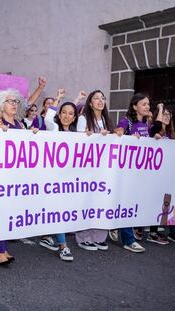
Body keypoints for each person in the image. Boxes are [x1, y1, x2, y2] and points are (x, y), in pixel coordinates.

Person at [0, 88, 38, 265]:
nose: (14, 104)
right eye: (10, 101)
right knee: (2, 212)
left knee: (9, 213)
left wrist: (34, 135)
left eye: (16, 101)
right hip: (1, 177)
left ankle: (4, 247)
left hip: (17, 177)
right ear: (1, 106)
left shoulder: (21, 125)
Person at [39, 88, 78, 261]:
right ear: (59, 114)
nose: (67, 116)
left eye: (71, 113)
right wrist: (58, 98)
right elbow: (48, 117)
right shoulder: (53, 128)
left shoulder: (79, 135)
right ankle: (63, 246)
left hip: (70, 181)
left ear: (74, 117)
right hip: (52, 180)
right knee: (58, 211)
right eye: (64, 112)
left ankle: (46, 235)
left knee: (56, 211)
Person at [111, 93, 152, 253]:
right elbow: (118, 131)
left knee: (133, 202)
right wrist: (124, 134)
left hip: (140, 172)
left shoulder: (147, 123)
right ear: (135, 106)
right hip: (125, 171)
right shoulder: (126, 120)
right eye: (143, 104)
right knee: (126, 203)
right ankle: (128, 240)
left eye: (148, 104)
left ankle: (114, 225)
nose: (147, 106)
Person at [75, 90, 112, 251]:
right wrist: (95, 135)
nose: (100, 101)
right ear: (90, 103)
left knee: (102, 202)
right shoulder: (83, 119)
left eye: (102, 98)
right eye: (96, 98)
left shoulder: (107, 120)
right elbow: (78, 141)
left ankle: (99, 236)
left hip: (104, 170)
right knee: (87, 202)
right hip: (88, 169)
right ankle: (83, 237)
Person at [148, 103, 175, 243]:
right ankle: (150, 232)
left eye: (169, 115)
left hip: (167, 174)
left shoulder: (169, 134)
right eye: (164, 114)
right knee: (154, 201)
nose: (167, 117)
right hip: (155, 174)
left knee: (163, 202)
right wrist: (160, 109)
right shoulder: (154, 131)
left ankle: (155, 231)